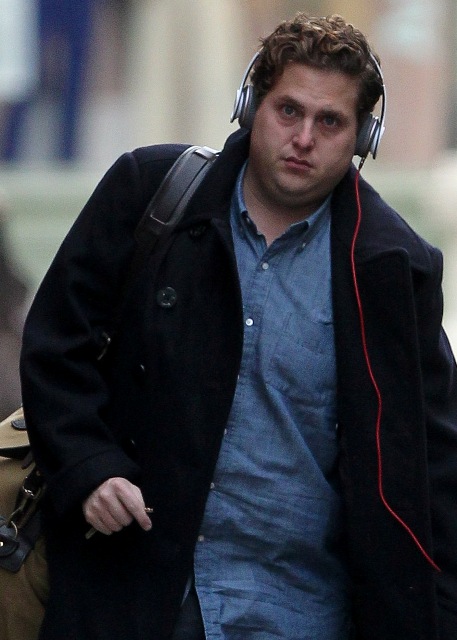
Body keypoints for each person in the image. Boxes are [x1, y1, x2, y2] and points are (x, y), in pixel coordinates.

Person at [19, 12, 457, 640]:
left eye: (330, 122)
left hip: (298, 611)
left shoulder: (394, 268)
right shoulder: (151, 193)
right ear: (251, 107)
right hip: (129, 592)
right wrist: (87, 464)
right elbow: (56, 344)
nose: (303, 138)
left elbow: (433, 462)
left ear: (364, 137)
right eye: (288, 111)